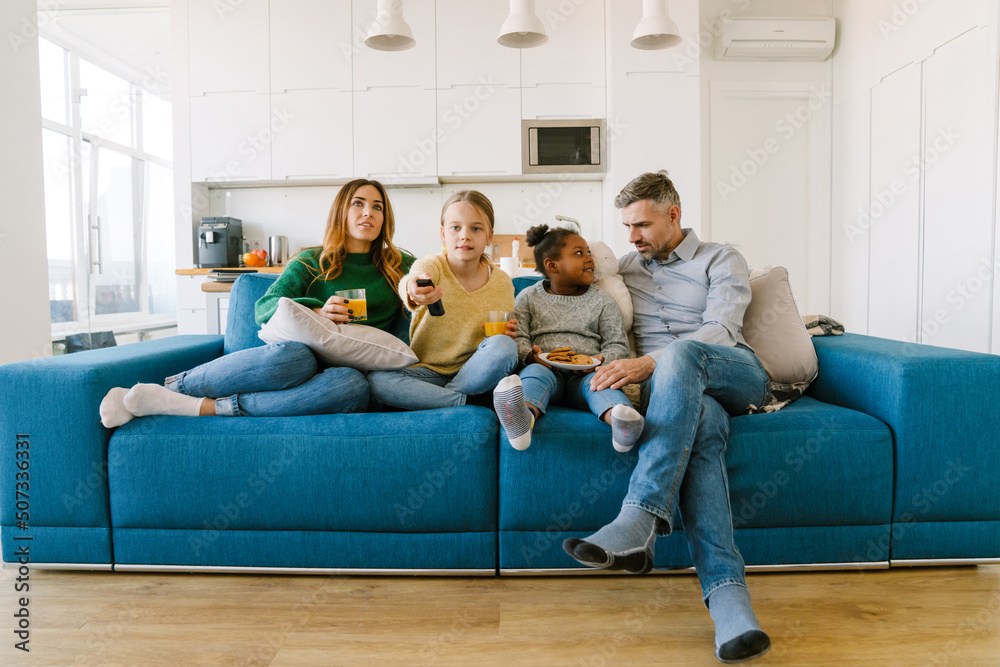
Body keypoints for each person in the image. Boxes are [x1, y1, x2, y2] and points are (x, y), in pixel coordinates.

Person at [561, 171, 773, 664]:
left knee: (680, 356)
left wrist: (654, 360)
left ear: (673, 215)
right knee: (702, 424)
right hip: (676, 393)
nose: (631, 237)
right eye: (626, 227)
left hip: (732, 370)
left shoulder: (721, 258)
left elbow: (720, 328)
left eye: (641, 225)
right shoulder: (625, 269)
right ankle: (730, 605)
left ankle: (639, 515)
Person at [98, 179, 414, 426]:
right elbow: (264, 307)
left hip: (343, 379)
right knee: (295, 356)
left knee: (353, 386)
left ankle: (197, 407)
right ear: (341, 212)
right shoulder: (310, 261)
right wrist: (317, 312)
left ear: (385, 217)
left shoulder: (399, 266)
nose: (368, 213)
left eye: (377, 207)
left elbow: (425, 297)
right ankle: (173, 390)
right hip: (299, 364)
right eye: (358, 204)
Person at [492, 224, 644, 452]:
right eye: (579, 253)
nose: (589, 258)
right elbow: (519, 338)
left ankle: (620, 420)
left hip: (586, 376)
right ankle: (523, 420)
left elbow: (617, 344)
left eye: (589, 252)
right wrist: (531, 358)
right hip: (544, 370)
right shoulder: (528, 298)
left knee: (601, 384)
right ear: (552, 265)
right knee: (534, 375)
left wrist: (599, 362)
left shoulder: (603, 300)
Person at [367, 190, 518, 410]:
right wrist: (412, 289)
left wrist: (507, 334)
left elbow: (501, 342)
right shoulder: (432, 266)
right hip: (428, 372)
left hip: (476, 371)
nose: (464, 236)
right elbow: (412, 280)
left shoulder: (503, 282)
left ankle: (437, 399)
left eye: (476, 228)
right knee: (376, 380)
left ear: (489, 237)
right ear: (443, 234)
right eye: (455, 227)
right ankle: (469, 402)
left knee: (504, 346)